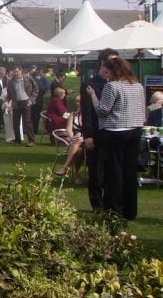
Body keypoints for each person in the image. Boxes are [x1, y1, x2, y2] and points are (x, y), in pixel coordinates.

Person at [87, 57, 145, 220]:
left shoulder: (111, 86)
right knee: (130, 171)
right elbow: (141, 108)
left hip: (115, 130)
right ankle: (130, 209)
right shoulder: (138, 86)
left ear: (113, 71)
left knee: (115, 172)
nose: (105, 75)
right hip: (134, 129)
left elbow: (102, 111)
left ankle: (115, 207)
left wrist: (93, 96)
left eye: (107, 71)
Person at [80, 48, 119, 212]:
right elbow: (87, 112)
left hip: (113, 134)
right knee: (96, 172)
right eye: (111, 61)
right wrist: (88, 135)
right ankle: (97, 205)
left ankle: (110, 204)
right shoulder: (91, 84)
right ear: (103, 63)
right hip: (96, 133)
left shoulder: (118, 85)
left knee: (112, 172)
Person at [6, 65, 37, 146]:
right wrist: (7, 102)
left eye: (17, 71)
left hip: (26, 102)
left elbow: (36, 88)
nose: (15, 73)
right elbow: (9, 93)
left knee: (27, 122)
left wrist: (31, 99)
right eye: (14, 72)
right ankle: (17, 140)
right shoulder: (11, 81)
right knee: (15, 123)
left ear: (21, 71)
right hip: (16, 103)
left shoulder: (28, 79)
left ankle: (31, 140)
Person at [53, 111, 86, 184]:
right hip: (76, 140)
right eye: (77, 101)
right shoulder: (73, 115)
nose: (78, 103)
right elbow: (68, 128)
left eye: (80, 102)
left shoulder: (90, 113)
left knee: (76, 142)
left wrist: (83, 138)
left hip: (87, 140)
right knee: (78, 151)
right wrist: (72, 137)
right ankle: (77, 175)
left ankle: (65, 167)